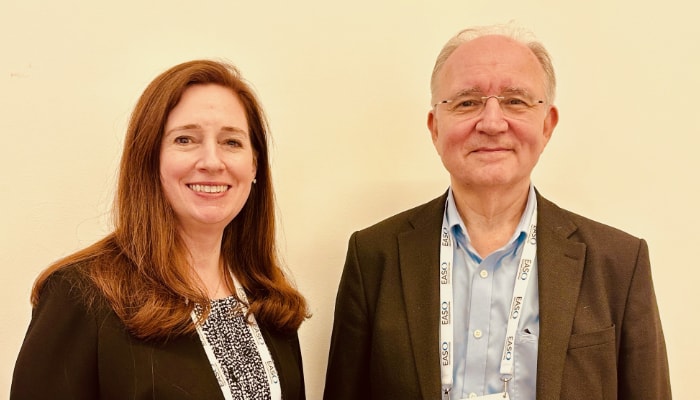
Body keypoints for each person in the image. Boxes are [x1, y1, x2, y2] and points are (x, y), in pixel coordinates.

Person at [323, 24, 671, 400]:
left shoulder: (618, 263)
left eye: (515, 101)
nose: (491, 123)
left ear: (547, 126)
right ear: (435, 128)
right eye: (467, 102)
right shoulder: (374, 256)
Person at [11, 60, 308, 400]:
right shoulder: (81, 295)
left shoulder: (269, 303)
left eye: (232, 142)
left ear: (255, 166)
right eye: (185, 139)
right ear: (149, 158)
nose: (212, 161)